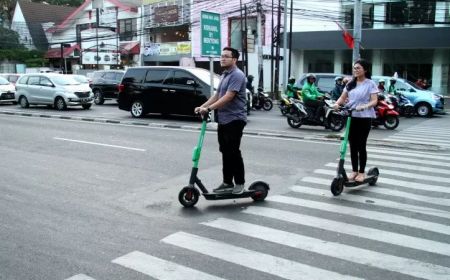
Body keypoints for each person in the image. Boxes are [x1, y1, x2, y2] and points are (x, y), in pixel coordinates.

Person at [194, 47, 247, 194]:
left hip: (235, 119)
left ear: (234, 59)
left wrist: (209, 109)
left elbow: (229, 96)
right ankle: (227, 182)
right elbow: (218, 95)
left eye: (226, 56)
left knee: (233, 151)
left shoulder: (237, 75)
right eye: (221, 56)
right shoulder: (225, 75)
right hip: (224, 119)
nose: (222, 58)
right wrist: (202, 106)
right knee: (225, 151)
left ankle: (240, 183)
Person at [333, 59, 378, 183]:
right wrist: (337, 104)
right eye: (354, 68)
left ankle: (362, 172)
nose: (355, 70)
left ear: (365, 70)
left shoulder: (370, 84)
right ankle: (354, 171)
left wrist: (365, 106)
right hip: (351, 116)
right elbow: (343, 97)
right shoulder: (350, 84)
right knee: (352, 145)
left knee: (361, 145)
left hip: (364, 117)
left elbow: (375, 100)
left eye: (358, 68)